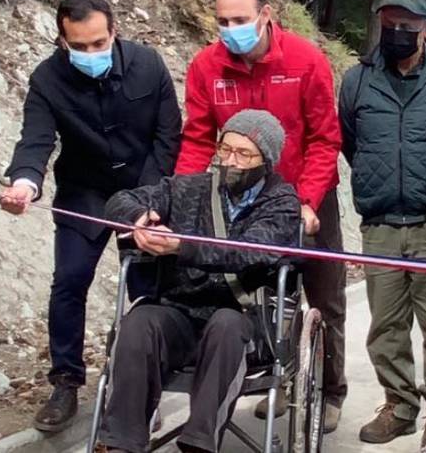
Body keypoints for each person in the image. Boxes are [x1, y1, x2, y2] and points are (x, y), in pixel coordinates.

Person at [0, 0, 182, 432]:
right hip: (83, 195)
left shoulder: (149, 64)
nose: (89, 52)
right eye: (77, 46)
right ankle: (65, 382)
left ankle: (142, 388)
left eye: (98, 44)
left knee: (144, 291)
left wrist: (150, 200)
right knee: (69, 281)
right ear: (63, 40)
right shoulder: (48, 79)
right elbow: (36, 138)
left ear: (114, 32)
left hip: (143, 193)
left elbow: (168, 136)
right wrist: (25, 181)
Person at [175, 0, 347, 431]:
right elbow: (196, 140)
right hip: (242, 199)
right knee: (259, 293)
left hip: (307, 193)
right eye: (222, 20)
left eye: (240, 19)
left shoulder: (306, 61)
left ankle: (330, 390)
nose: (231, 28)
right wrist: (185, 201)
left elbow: (324, 140)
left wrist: (307, 201)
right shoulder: (206, 67)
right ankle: (276, 378)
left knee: (323, 293)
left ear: (266, 15)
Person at [100, 110, 300, 453]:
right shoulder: (187, 187)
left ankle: (199, 443)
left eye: (244, 154)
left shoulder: (282, 202)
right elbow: (120, 200)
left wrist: (182, 245)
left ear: (265, 161)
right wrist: (139, 220)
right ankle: (121, 443)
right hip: (180, 312)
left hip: (240, 320)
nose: (231, 162)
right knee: (139, 322)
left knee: (225, 325)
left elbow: (247, 252)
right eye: (225, 149)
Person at [339, 0, 426, 445]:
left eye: (407, 25)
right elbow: (350, 142)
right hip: (380, 223)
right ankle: (400, 405)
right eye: (389, 23)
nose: (397, 32)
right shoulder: (357, 80)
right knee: (386, 327)